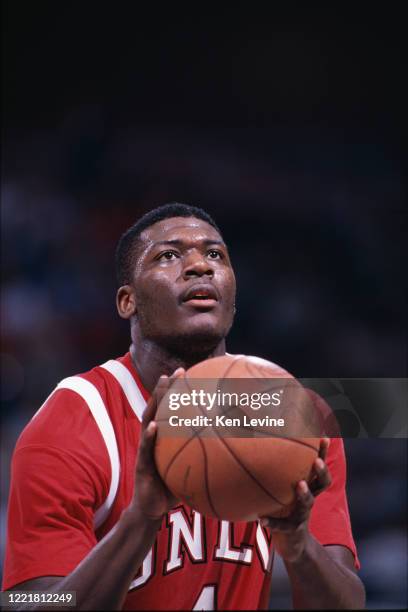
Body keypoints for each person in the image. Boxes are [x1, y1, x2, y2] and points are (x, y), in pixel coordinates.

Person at [3, 203, 365, 610]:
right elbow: (27, 603)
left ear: (232, 293)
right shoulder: (72, 421)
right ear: (128, 301)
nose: (199, 266)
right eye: (168, 255)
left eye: (215, 255)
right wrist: (142, 518)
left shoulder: (293, 414)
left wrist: (298, 545)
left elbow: (347, 602)